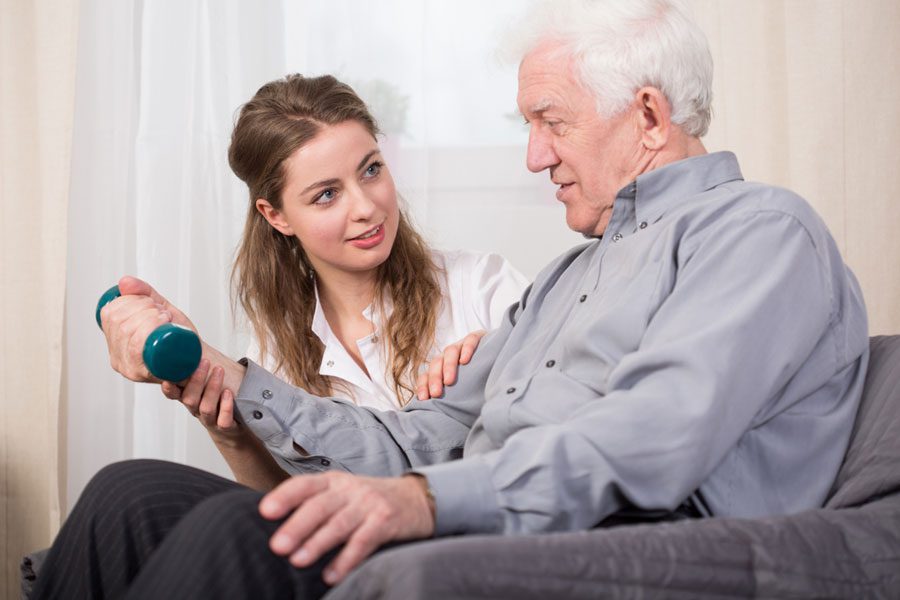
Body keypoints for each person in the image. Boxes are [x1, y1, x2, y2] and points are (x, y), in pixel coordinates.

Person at [33, 0, 869, 598]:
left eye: (551, 120)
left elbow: (655, 437)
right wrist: (229, 377)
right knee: (128, 496)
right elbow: (421, 439)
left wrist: (426, 501)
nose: (535, 156)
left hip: (593, 543)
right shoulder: (570, 276)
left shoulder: (758, 230)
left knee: (243, 533)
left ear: (648, 114)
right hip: (482, 513)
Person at [122, 74, 529, 490]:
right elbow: (281, 506)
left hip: (473, 538)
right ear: (275, 215)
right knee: (129, 486)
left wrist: (497, 365)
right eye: (327, 195)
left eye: (371, 170)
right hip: (347, 551)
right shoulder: (273, 353)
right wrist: (231, 433)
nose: (367, 207)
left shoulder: (484, 287)